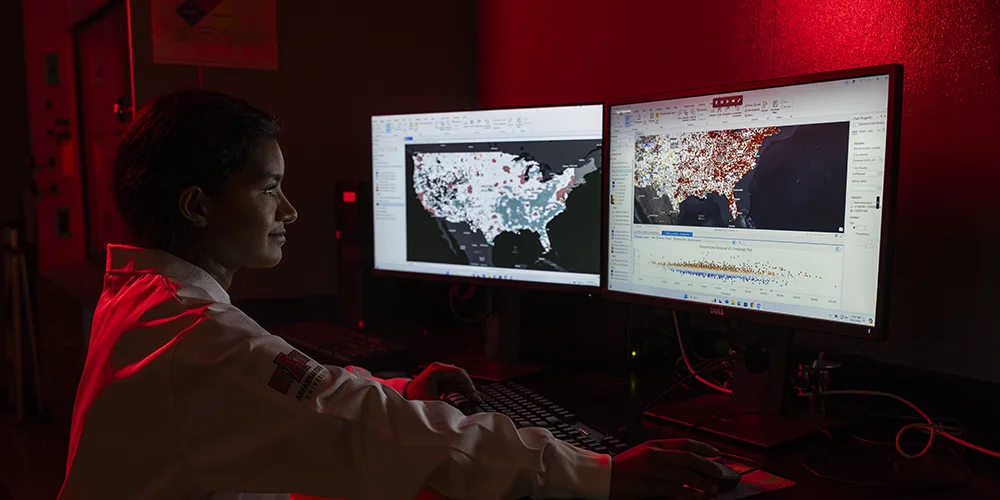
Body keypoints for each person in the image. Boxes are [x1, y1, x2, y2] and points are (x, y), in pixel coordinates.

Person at [58, 90, 725, 500]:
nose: (289, 211)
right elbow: (360, 424)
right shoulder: (197, 342)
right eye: (268, 189)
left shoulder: (151, 300)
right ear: (197, 207)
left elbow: (303, 393)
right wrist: (599, 476)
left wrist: (401, 390)